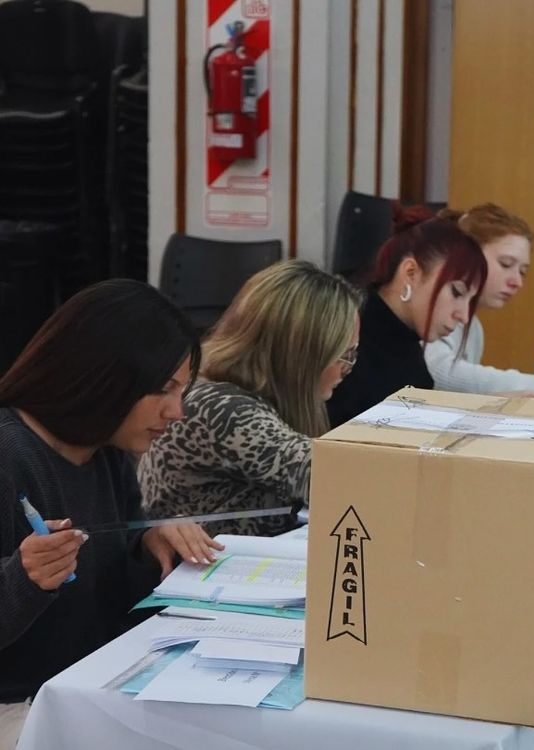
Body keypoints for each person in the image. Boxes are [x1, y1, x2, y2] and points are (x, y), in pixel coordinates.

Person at [0, 279, 218, 746]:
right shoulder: (9, 453)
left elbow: (108, 605)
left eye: (183, 391)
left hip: (93, 688)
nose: (176, 412)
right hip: (24, 710)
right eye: (164, 389)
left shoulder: (107, 452)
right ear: (101, 374)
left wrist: (148, 546)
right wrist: (26, 577)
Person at [139, 260, 363, 538]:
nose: (348, 367)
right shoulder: (221, 409)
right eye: (346, 354)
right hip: (194, 576)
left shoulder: (247, 395)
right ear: (303, 353)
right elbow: (336, 477)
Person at [326, 205, 488, 427]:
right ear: (410, 272)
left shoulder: (407, 346)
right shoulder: (349, 334)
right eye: (457, 293)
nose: (464, 316)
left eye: (470, 300)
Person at [426, 203, 534, 397]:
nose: (517, 282)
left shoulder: (475, 328)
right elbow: (436, 371)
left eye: (522, 272)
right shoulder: (436, 308)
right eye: (506, 264)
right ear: (468, 255)